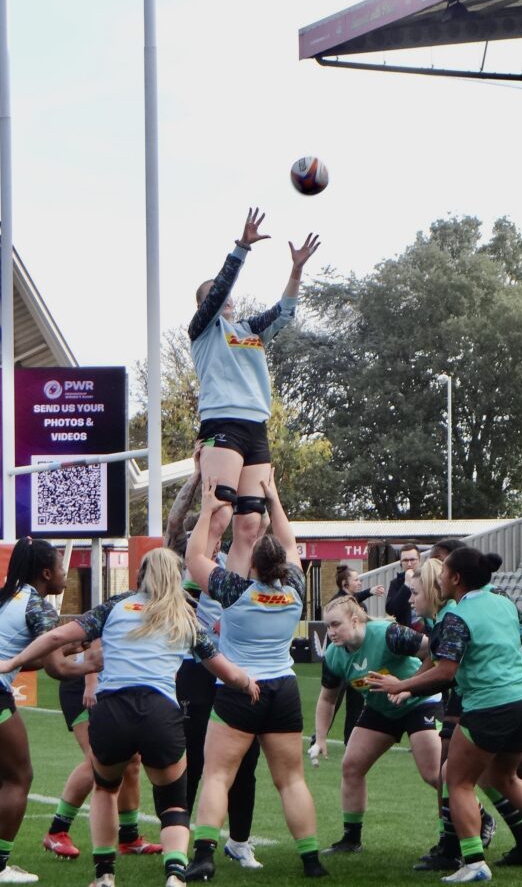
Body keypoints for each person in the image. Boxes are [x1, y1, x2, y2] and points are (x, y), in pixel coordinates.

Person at [0, 546, 259, 887]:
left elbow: (58, 636)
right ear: (176, 579)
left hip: (112, 712)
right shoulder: (185, 616)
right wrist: (247, 683)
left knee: (106, 789)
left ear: (140, 575)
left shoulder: (116, 605)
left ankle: (105, 875)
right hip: (160, 713)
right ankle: (175, 874)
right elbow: (224, 670)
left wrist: (12, 662)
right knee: (173, 802)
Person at [369, 546, 522, 884]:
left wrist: (401, 684)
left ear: (456, 578)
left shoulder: (458, 616)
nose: (439, 578)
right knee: (505, 777)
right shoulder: (502, 601)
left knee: (457, 780)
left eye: (443, 572)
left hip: (489, 704)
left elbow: (446, 672)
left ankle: (474, 862)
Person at [185, 471, 327, 880]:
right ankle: (311, 860)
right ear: (283, 564)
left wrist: (208, 511)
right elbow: (290, 542)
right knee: (292, 780)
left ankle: (204, 857)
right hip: (283, 689)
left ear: (252, 564)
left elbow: (195, 559)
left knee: (218, 775)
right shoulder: (295, 590)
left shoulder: (235, 591)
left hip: (240, 689)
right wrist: (273, 498)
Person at [189, 209, 319, 563]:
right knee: (218, 517)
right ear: (204, 305)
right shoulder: (202, 331)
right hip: (222, 423)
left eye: (227, 295)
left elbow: (285, 311)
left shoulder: (250, 331)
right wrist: (242, 247)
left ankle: (237, 590)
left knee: (251, 525)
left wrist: (296, 269)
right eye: (216, 295)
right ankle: (198, 588)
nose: (226, 298)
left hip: (255, 426)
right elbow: (219, 291)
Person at [166, 441, 264, 870]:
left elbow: (255, 533)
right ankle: (181, 839)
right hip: (193, 669)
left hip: (233, 668)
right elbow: (175, 522)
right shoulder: (182, 561)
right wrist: (197, 477)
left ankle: (239, 842)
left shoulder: (231, 562)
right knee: (191, 755)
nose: (217, 533)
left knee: (245, 759)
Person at [313, 594, 442, 860]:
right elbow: (327, 699)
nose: (331, 632)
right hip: (381, 708)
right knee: (351, 766)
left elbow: (435, 651)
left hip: (419, 701)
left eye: (336, 624)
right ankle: (351, 838)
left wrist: (408, 687)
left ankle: (474, 820)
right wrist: (321, 738)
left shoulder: (388, 634)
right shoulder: (334, 655)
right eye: (328, 626)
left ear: (355, 620)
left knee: (434, 773)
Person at [0, 536, 86, 885]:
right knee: (19, 778)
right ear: (47, 573)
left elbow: (22, 658)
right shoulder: (38, 607)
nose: (66, 573)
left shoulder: (9, 596)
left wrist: (70, 648)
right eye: (62, 567)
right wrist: (93, 662)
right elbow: (56, 669)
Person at [44, 668, 162, 859]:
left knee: (131, 760)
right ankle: (57, 831)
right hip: (83, 685)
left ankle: (129, 837)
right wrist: (90, 682)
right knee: (97, 760)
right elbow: (93, 650)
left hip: (116, 684)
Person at [328, 566, 385, 745]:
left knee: (356, 702)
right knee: (332, 699)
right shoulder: (336, 603)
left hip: (358, 660)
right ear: (345, 583)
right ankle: (319, 736)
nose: (359, 582)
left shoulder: (360, 606)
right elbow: (346, 605)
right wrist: (369, 591)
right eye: (356, 579)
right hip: (342, 662)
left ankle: (350, 740)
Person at [385, 545, 421, 628]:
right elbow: (390, 610)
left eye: (412, 560)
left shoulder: (428, 579)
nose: (409, 564)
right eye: (405, 560)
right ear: (400, 563)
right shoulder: (396, 583)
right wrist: (406, 585)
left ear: (419, 560)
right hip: (406, 629)